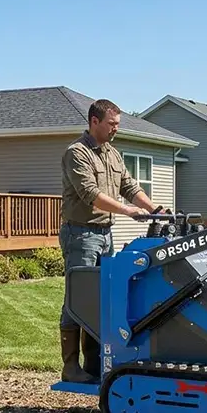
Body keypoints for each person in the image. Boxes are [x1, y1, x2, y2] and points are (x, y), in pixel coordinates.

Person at [59, 99, 157, 382]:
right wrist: (127, 211)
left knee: (101, 299)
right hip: (81, 234)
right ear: (94, 122)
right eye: (112, 124)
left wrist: (154, 210)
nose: (116, 129)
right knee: (77, 298)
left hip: (105, 235)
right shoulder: (76, 154)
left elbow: (129, 186)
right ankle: (70, 367)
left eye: (117, 124)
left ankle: (94, 364)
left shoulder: (113, 154)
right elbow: (89, 193)